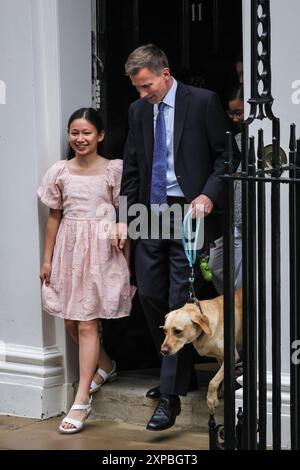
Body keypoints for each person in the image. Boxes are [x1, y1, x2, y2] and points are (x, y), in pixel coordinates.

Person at [112, 44, 239, 431]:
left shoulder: (202, 102)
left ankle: (169, 397)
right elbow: (131, 166)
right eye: (137, 88)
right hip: (148, 212)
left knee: (177, 298)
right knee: (149, 293)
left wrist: (207, 194)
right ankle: (179, 372)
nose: (142, 94)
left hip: (189, 210)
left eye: (147, 86)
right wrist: (123, 218)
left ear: (165, 74)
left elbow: (225, 156)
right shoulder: (137, 111)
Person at [38, 108, 135, 434]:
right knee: (70, 320)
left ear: (101, 135)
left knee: (87, 322)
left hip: (102, 250)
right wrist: (47, 259)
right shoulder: (60, 172)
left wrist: (127, 263)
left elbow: (124, 218)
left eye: (87, 133)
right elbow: (54, 217)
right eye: (74, 133)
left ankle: (81, 400)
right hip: (69, 249)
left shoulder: (114, 171)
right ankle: (106, 365)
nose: (80, 139)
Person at [209, 85, 244, 294]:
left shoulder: (255, 138)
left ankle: (241, 316)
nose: (235, 118)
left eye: (238, 112)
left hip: (245, 220)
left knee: (241, 278)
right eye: (231, 113)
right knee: (215, 265)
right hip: (230, 220)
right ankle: (232, 309)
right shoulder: (234, 138)